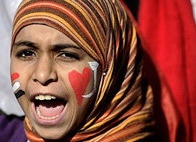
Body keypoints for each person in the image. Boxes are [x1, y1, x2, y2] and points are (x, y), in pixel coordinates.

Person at [8, 0, 154, 141]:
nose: (42, 74)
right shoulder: (0, 134)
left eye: (67, 55)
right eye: (26, 53)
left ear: (110, 68)